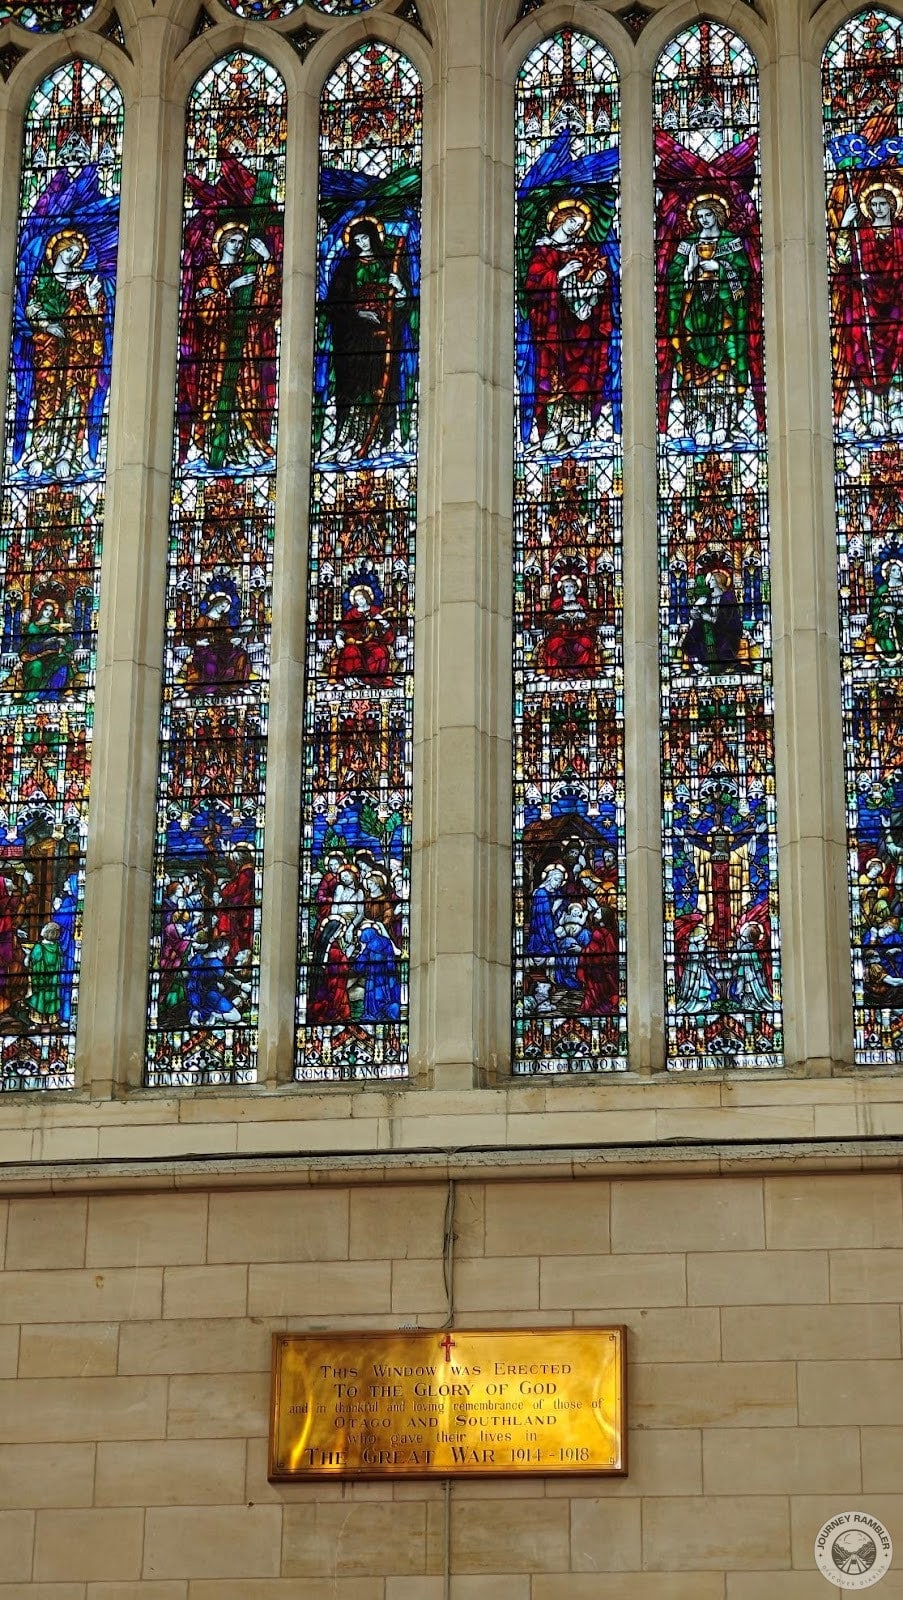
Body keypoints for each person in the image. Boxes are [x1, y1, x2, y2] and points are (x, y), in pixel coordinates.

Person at [185, 221, 279, 468]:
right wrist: (229, 290)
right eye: (233, 242)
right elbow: (205, 313)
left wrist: (267, 261)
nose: (237, 247)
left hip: (246, 344)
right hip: (217, 347)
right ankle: (214, 446)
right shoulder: (209, 274)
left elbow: (264, 304)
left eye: (241, 243)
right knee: (214, 396)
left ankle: (245, 443)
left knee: (245, 395)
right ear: (223, 244)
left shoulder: (246, 271)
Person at [523, 197, 613, 451]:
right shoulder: (543, 250)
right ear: (561, 220)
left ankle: (576, 425)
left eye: (580, 223)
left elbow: (599, 281)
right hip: (552, 324)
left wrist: (599, 279)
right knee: (552, 376)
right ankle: (553, 427)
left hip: (581, 325)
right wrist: (561, 274)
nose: (575, 227)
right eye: (573, 221)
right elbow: (533, 286)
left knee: (581, 375)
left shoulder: (582, 251)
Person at [664, 194, 753, 448]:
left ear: (718, 215)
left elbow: (745, 279)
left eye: (708, 215)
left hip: (723, 316)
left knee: (724, 366)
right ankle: (699, 422)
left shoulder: (731, 243)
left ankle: (723, 423)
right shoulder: (688, 244)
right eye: (699, 217)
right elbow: (673, 278)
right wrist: (689, 270)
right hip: (693, 317)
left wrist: (721, 267)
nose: (703, 221)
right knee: (693, 368)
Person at [22, 228, 106, 479]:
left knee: (73, 402)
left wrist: (91, 299)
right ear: (58, 250)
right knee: (46, 401)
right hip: (50, 351)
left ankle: (66, 455)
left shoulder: (82, 283)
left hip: (78, 355)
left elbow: (96, 321)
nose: (72, 256)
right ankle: (39, 452)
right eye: (69, 250)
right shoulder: (43, 280)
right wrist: (49, 325)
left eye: (76, 253)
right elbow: (32, 309)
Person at [324, 216, 410, 461]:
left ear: (374, 237)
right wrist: (359, 312)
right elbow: (335, 304)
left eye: (365, 237)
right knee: (356, 386)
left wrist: (400, 289)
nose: (361, 243)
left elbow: (403, 306)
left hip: (383, 338)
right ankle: (349, 438)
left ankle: (379, 438)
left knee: (380, 386)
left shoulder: (388, 264)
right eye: (357, 239)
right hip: (355, 337)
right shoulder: (347, 267)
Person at [833, 180, 903, 438]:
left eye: (882, 203)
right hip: (865, 307)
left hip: (896, 307)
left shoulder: (900, 234)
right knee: (866, 357)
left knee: (896, 361)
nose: (878, 208)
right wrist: (844, 224)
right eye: (873, 205)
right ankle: (872, 415)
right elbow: (842, 258)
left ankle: (896, 412)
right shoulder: (859, 234)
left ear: (892, 205)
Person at [330, 583, 396, 682]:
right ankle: (354, 679)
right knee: (350, 651)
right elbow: (343, 628)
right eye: (357, 600)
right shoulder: (352, 613)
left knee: (380, 653)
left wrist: (383, 622)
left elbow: (386, 632)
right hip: (355, 642)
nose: (359, 602)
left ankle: (375, 681)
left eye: (361, 599)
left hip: (372, 642)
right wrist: (338, 638)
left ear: (367, 598)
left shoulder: (375, 611)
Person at [538, 573, 598, 674]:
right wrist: (558, 617)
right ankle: (560, 673)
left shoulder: (581, 602)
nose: (569, 589)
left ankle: (580, 672)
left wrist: (584, 617)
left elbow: (593, 618)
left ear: (576, 588)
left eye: (571, 586)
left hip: (579, 632)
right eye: (566, 586)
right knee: (554, 644)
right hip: (561, 632)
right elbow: (547, 619)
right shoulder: (557, 603)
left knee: (586, 643)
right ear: (562, 588)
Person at [15, 597, 74, 696]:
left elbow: (68, 645)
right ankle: (32, 695)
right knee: (37, 665)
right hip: (34, 657)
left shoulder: (56, 626)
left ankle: (53, 694)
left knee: (64, 660)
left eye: (51, 611)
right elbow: (25, 644)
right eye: (46, 609)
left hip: (51, 656)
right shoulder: (31, 627)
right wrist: (23, 653)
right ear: (41, 610)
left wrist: (63, 643)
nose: (48, 612)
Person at [26, 920, 63, 1025]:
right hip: (53, 979)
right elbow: (61, 962)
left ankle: (39, 1019)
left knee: (40, 997)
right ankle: (52, 1019)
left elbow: (32, 962)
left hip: (41, 978)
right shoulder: (57, 947)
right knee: (51, 997)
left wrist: (28, 955)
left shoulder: (39, 947)